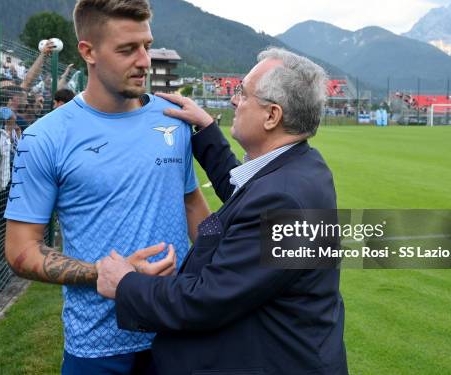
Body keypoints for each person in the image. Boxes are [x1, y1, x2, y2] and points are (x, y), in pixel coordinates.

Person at [97, 47, 348, 375]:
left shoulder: (284, 198)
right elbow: (245, 197)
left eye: (242, 94)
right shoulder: (301, 168)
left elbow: (207, 299)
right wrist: (206, 130)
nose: (233, 101)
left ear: (272, 116)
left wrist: (126, 284)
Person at [3, 0, 209, 374]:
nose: (144, 61)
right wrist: (105, 273)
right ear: (88, 52)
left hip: (176, 333)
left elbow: (191, 203)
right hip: (97, 347)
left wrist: (223, 271)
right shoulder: (45, 137)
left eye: (147, 45)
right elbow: (20, 250)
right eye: (127, 49)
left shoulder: (172, 118)